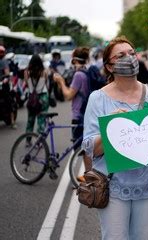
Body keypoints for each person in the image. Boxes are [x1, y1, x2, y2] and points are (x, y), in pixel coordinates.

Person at [81, 36, 148, 239]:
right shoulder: (98, 98)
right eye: (121, 55)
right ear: (109, 66)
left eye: (132, 53)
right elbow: (90, 148)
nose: (129, 58)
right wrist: (110, 127)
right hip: (114, 184)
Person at [53, 47, 92, 181]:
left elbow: (69, 95)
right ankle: (88, 174)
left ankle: (89, 175)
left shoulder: (78, 75)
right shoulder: (86, 72)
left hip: (78, 115)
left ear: (74, 59)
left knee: (81, 148)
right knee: (86, 147)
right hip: (86, 113)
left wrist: (61, 82)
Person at [24, 54, 49, 134]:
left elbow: (27, 84)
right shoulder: (44, 71)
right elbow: (46, 82)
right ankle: (40, 142)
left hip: (31, 97)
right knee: (41, 119)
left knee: (30, 120)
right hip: (43, 97)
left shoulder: (26, 72)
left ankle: (28, 140)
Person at [0, 46, 17, 128]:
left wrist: (5, 78)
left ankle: (13, 122)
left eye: (1, 52)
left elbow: (7, 72)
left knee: (8, 101)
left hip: (3, 84)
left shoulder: (4, 61)